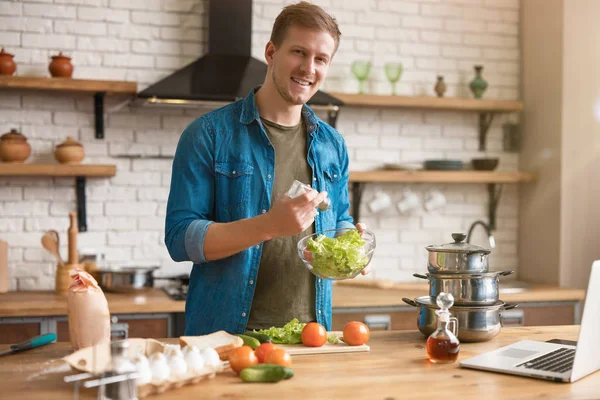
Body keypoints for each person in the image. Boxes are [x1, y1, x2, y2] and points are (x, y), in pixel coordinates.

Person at [165, 1, 369, 336]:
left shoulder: (332, 145)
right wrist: (268, 225)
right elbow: (179, 239)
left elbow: (339, 220)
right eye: (298, 52)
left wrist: (350, 244)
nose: (308, 68)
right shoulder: (209, 135)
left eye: (321, 59)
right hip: (226, 338)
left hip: (312, 336)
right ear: (271, 52)